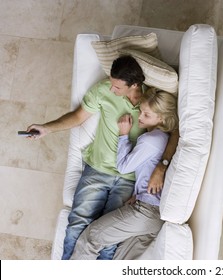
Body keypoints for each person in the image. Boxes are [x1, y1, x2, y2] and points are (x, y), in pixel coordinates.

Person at [26, 56, 179, 260]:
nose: (110, 89)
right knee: (78, 223)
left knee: (107, 241)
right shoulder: (104, 91)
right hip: (98, 169)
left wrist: (162, 165)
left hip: (128, 179)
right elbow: (79, 116)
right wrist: (47, 128)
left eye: (116, 86)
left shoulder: (150, 104)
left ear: (134, 85)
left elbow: (174, 131)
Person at [70, 88, 178, 260]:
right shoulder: (164, 138)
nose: (140, 117)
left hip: (146, 212)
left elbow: (123, 167)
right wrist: (138, 193)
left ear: (162, 118)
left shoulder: (151, 140)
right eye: (141, 111)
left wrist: (124, 134)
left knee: (91, 239)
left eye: (146, 115)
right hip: (155, 217)